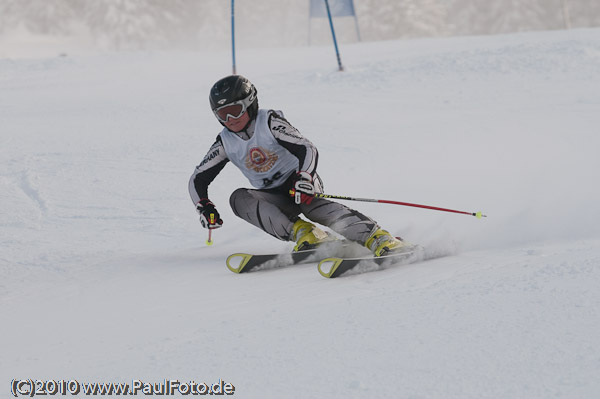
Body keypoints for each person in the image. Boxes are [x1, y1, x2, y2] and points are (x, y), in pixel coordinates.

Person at [189, 75, 406, 256]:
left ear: (250, 103)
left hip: (299, 184)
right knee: (238, 199)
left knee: (311, 206)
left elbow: (306, 148)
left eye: (235, 110)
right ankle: (306, 233)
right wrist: (205, 207)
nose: (231, 119)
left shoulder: (269, 122)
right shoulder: (225, 142)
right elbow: (197, 179)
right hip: (272, 196)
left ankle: (377, 237)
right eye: (223, 114)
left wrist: (305, 177)